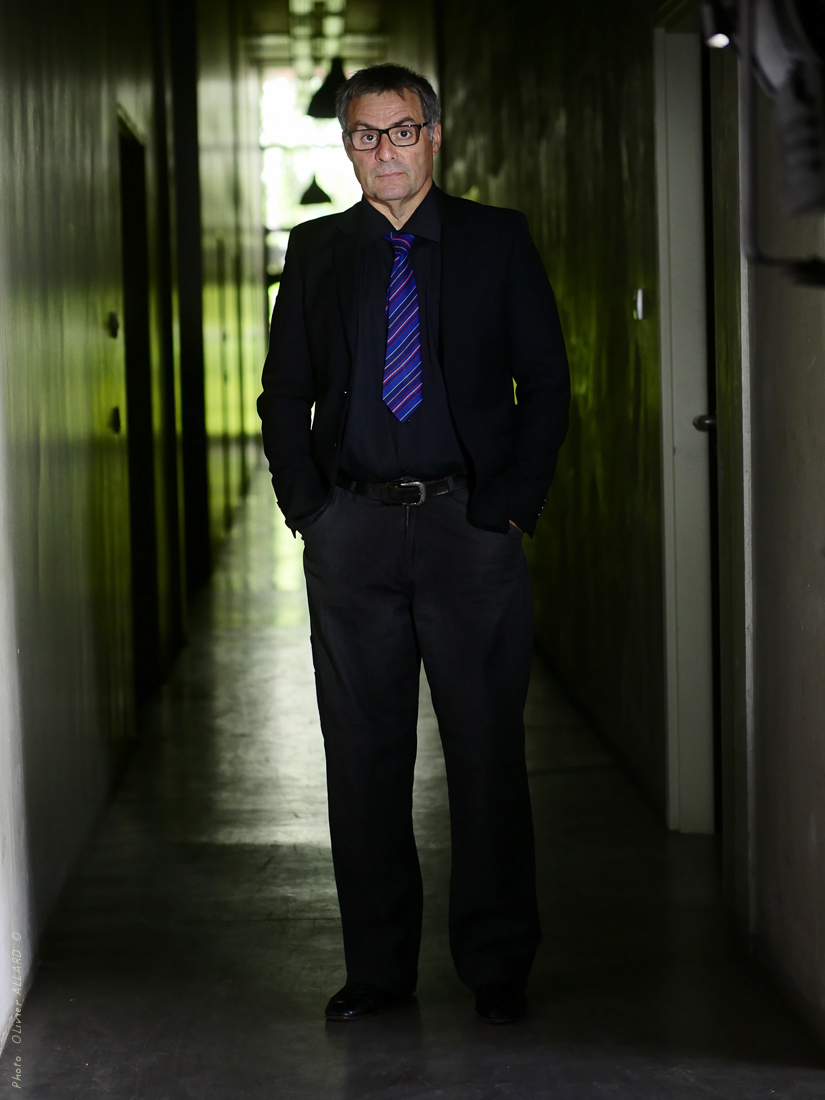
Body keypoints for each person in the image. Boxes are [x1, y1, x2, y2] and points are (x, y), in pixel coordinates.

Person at [257, 63, 569, 1025]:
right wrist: (309, 509)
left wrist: (509, 507)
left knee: (485, 753)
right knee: (362, 759)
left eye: (400, 131)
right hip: (351, 532)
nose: (383, 151)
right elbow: (284, 391)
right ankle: (378, 972)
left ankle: (497, 966)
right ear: (346, 145)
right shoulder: (317, 249)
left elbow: (544, 383)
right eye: (364, 134)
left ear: (433, 136)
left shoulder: (495, 239)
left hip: (467, 530)